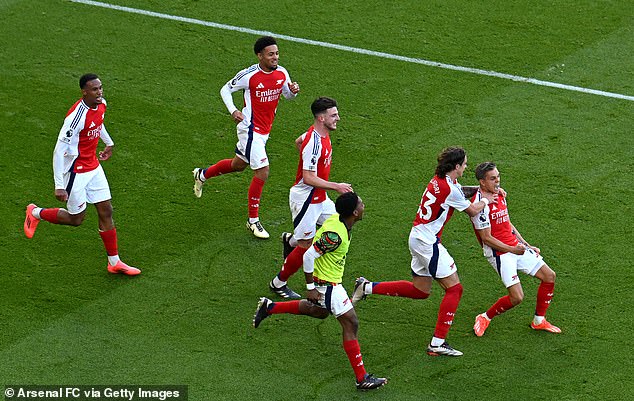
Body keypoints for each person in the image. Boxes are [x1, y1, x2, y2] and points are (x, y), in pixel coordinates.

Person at [351, 147, 495, 356]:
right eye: (464, 164)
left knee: (421, 290)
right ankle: (437, 343)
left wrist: (480, 190)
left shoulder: (439, 180)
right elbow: (472, 210)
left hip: (417, 237)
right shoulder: (451, 189)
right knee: (455, 289)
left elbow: (458, 191)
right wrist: (485, 200)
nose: (466, 166)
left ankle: (366, 287)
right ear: (456, 166)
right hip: (428, 242)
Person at [253, 192, 387, 390]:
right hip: (327, 285)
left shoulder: (338, 220)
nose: (364, 205)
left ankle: (270, 307)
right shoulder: (334, 236)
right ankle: (362, 378)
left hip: (328, 281)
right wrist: (311, 288)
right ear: (355, 212)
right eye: (361, 203)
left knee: (319, 312)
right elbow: (308, 257)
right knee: (351, 322)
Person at [23, 73, 140, 276]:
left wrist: (109, 142)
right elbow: (59, 151)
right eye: (94, 89)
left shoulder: (101, 104)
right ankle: (35, 213)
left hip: (93, 167)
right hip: (75, 172)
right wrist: (59, 184)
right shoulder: (75, 118)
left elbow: (98, 124)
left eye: (100, 88)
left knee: (106, 210)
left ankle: (114, 262)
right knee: (76, 219)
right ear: (84, 92)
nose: (99, 92)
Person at [192, 36, 300, 239]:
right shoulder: (249, 75)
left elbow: (287, 95)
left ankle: (202, 175)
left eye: (276, 53)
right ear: (259, 56)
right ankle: (253, 221)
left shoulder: (282, 72)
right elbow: (225, 89)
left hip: (264, 131)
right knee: (263, 171)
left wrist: (293, 91)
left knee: (238, 165)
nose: (275, 57)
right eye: (270, 54)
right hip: (250, 129)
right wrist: (233, 110)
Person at [268, 97, 353, 299]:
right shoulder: (315, 143)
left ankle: (291, 241)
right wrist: (336, 186)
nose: (338, 118)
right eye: (334, 115)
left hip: (319, 197)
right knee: (307, 246)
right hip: (306, 199)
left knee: (342, 224)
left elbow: (299, 141)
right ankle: (278, 283)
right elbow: (307, 177)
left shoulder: (317, 134)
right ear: (321, 118)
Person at [470, 162, 560, 336]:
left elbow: (507, 223)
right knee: (517, 297)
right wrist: (512, 249)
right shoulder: (480, 207)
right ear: (482, 182)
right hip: (499, 252)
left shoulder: (499, 195)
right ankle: (484, 317)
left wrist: (526, 244)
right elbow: (486, 238)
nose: (497, 181)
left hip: (514, 247)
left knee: (549, 276)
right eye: (492, 178)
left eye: (498, 176)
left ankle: (539, 321)